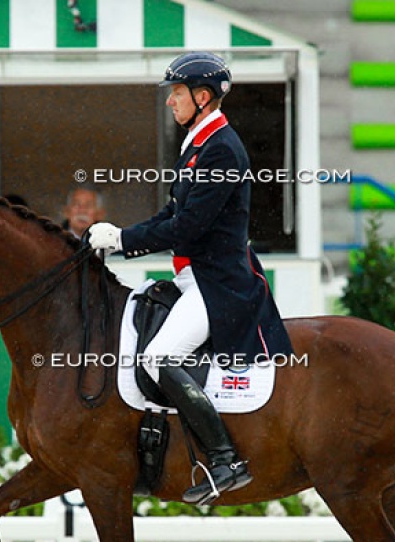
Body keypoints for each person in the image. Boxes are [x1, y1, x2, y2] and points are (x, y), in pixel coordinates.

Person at [88, 52, 294, 505]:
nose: (170, 102)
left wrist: (123, 239)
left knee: (158, 357)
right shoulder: (198, 143)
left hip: (217, 284)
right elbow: (172, 212)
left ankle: (225, 459)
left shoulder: (221, 148)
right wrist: (121, 237)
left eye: (177, 93)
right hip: (193, 279)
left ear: (203, 97)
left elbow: (189, 227)